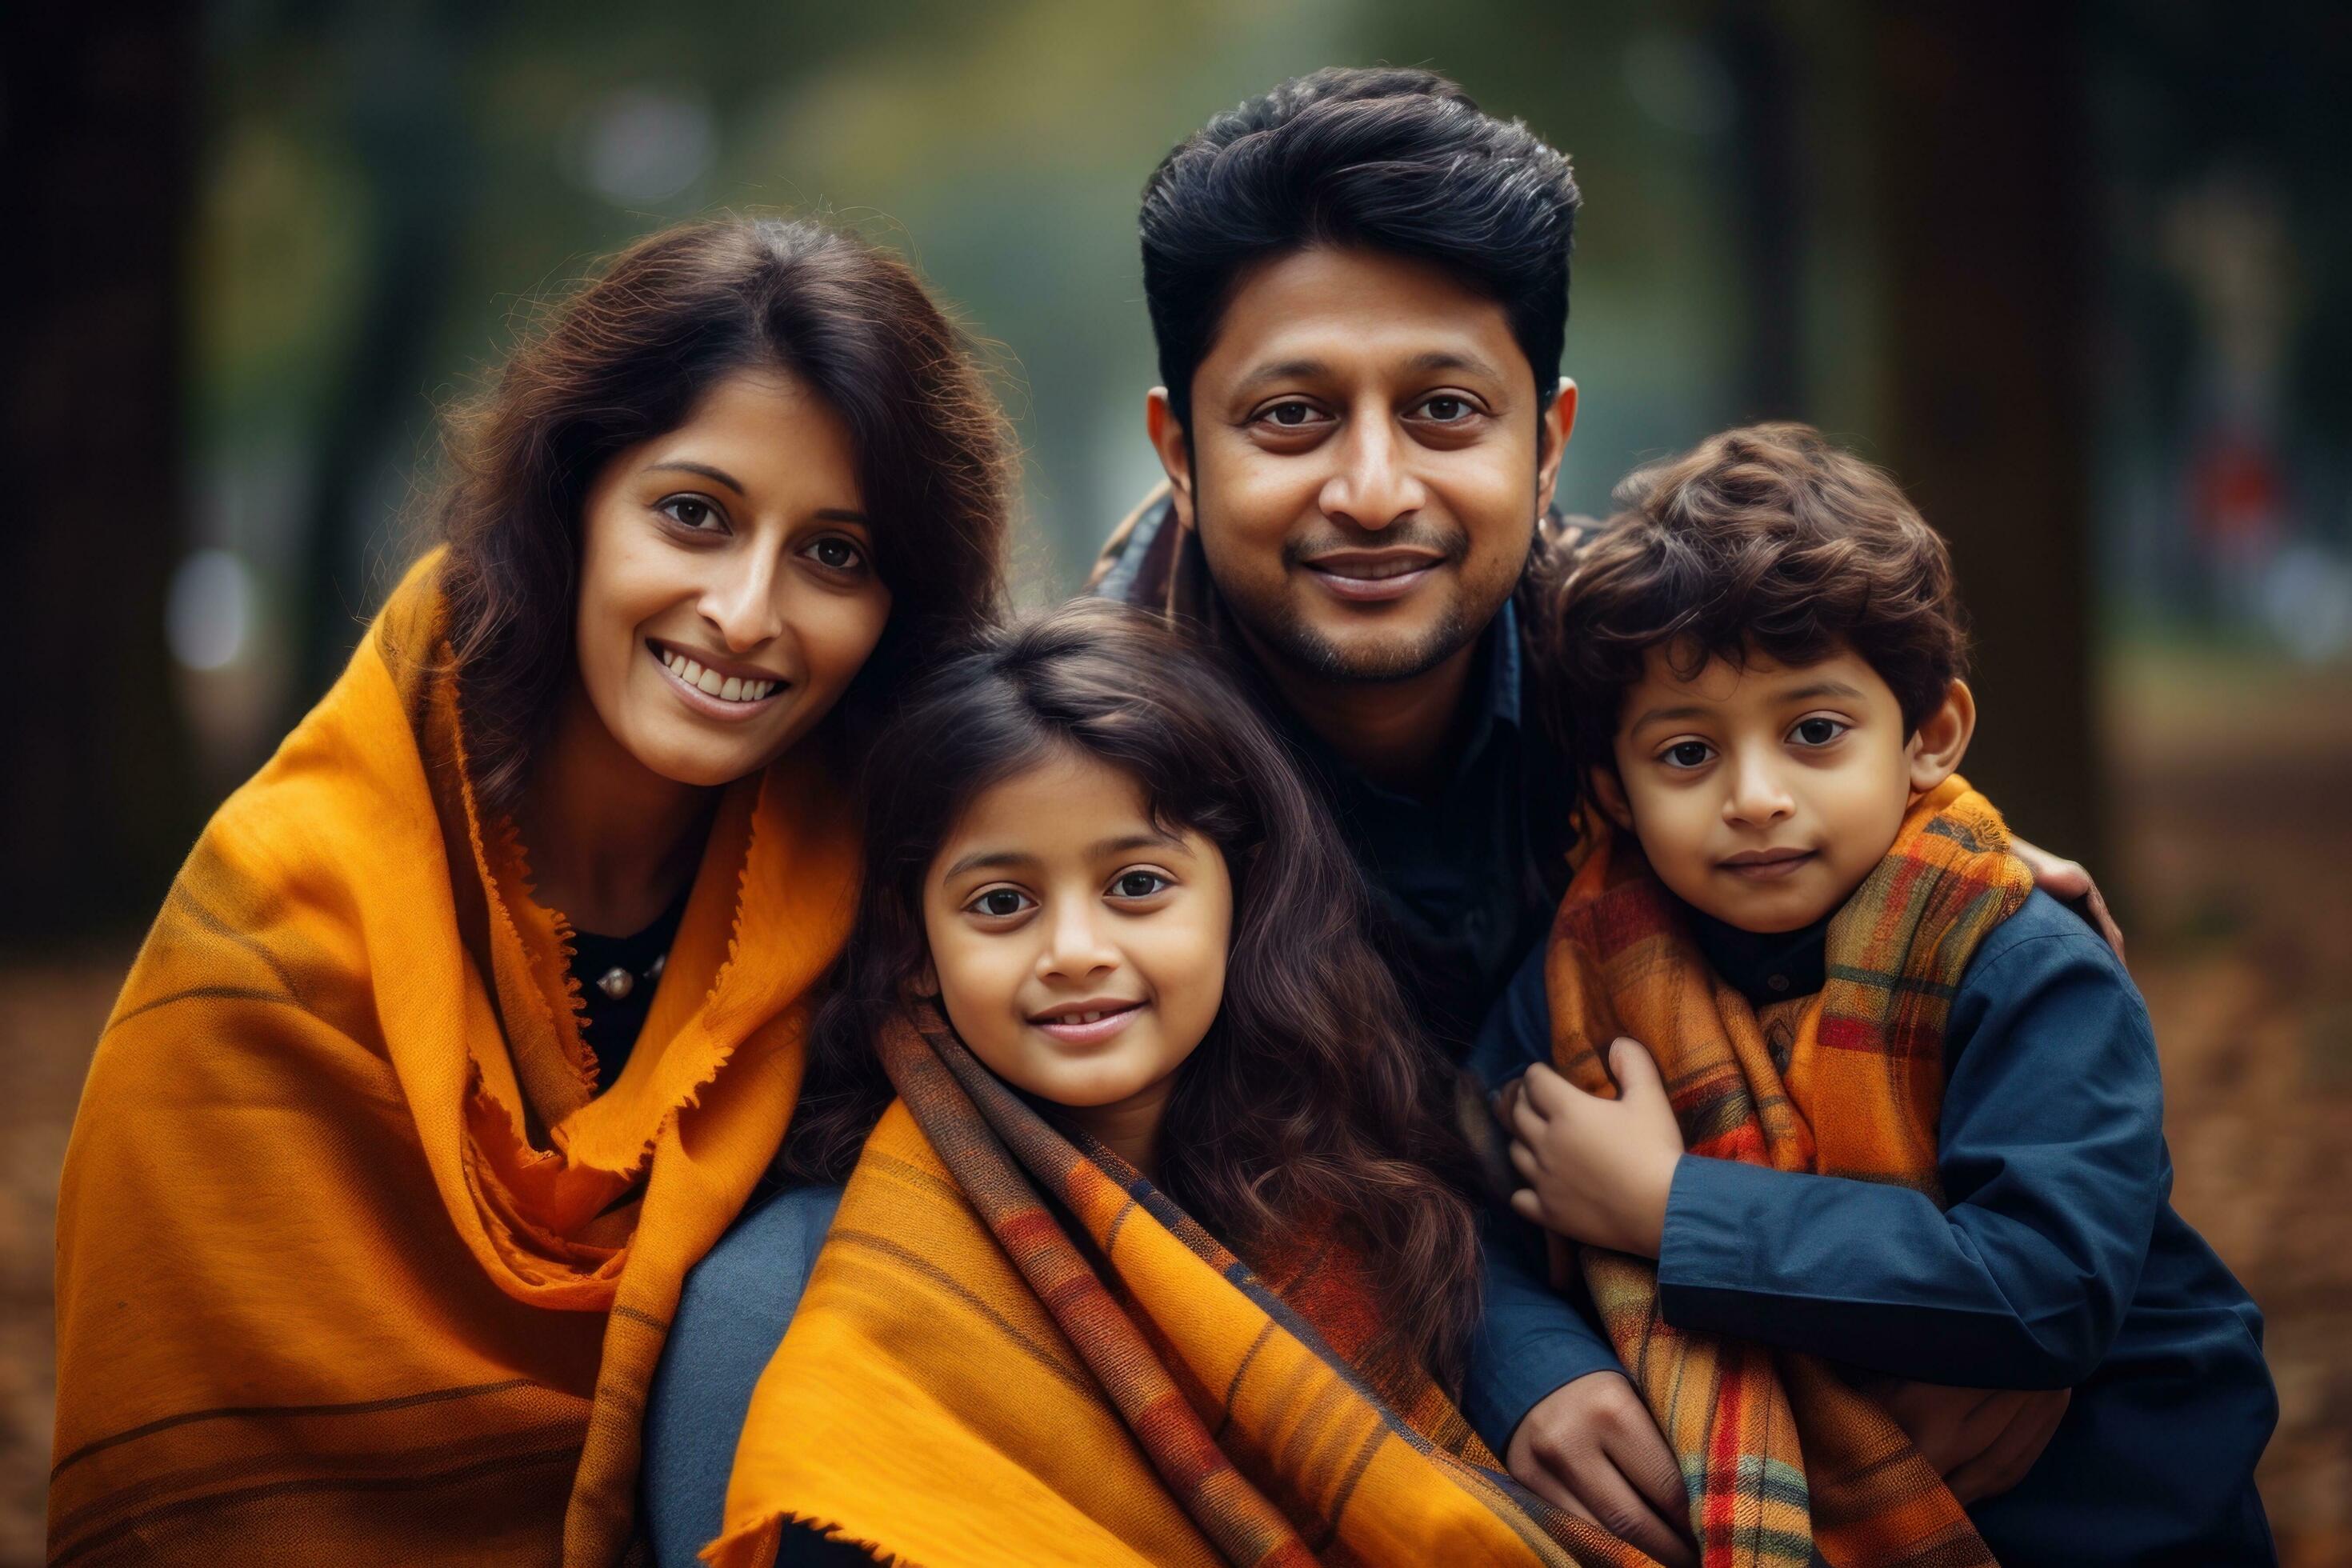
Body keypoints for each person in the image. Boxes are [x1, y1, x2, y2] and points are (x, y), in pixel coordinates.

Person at [49, 216, 1011, 1566]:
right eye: (694, 514)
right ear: (572, 504)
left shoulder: (887, 889)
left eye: (835, 555)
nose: (746, 612)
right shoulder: (285, 919)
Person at [681, 601, 1651, 1568]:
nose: (1073, 952)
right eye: (1002, 903)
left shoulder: (1346, 1182)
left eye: (1137, 885)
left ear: (1244, 889)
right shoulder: (821, 1292)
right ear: (917, 944)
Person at [1486, 423, 2278, 1566]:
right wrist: (1529, 1364)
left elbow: (2050, 1284)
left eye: (1814, 732)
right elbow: (1463, 1216)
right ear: (1614, 786)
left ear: (1930, 737)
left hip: (2119, 1517)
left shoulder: (2018, 959)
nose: (1755, 797)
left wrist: (1670, 1208)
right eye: (1687, 754)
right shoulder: (1584, 971)